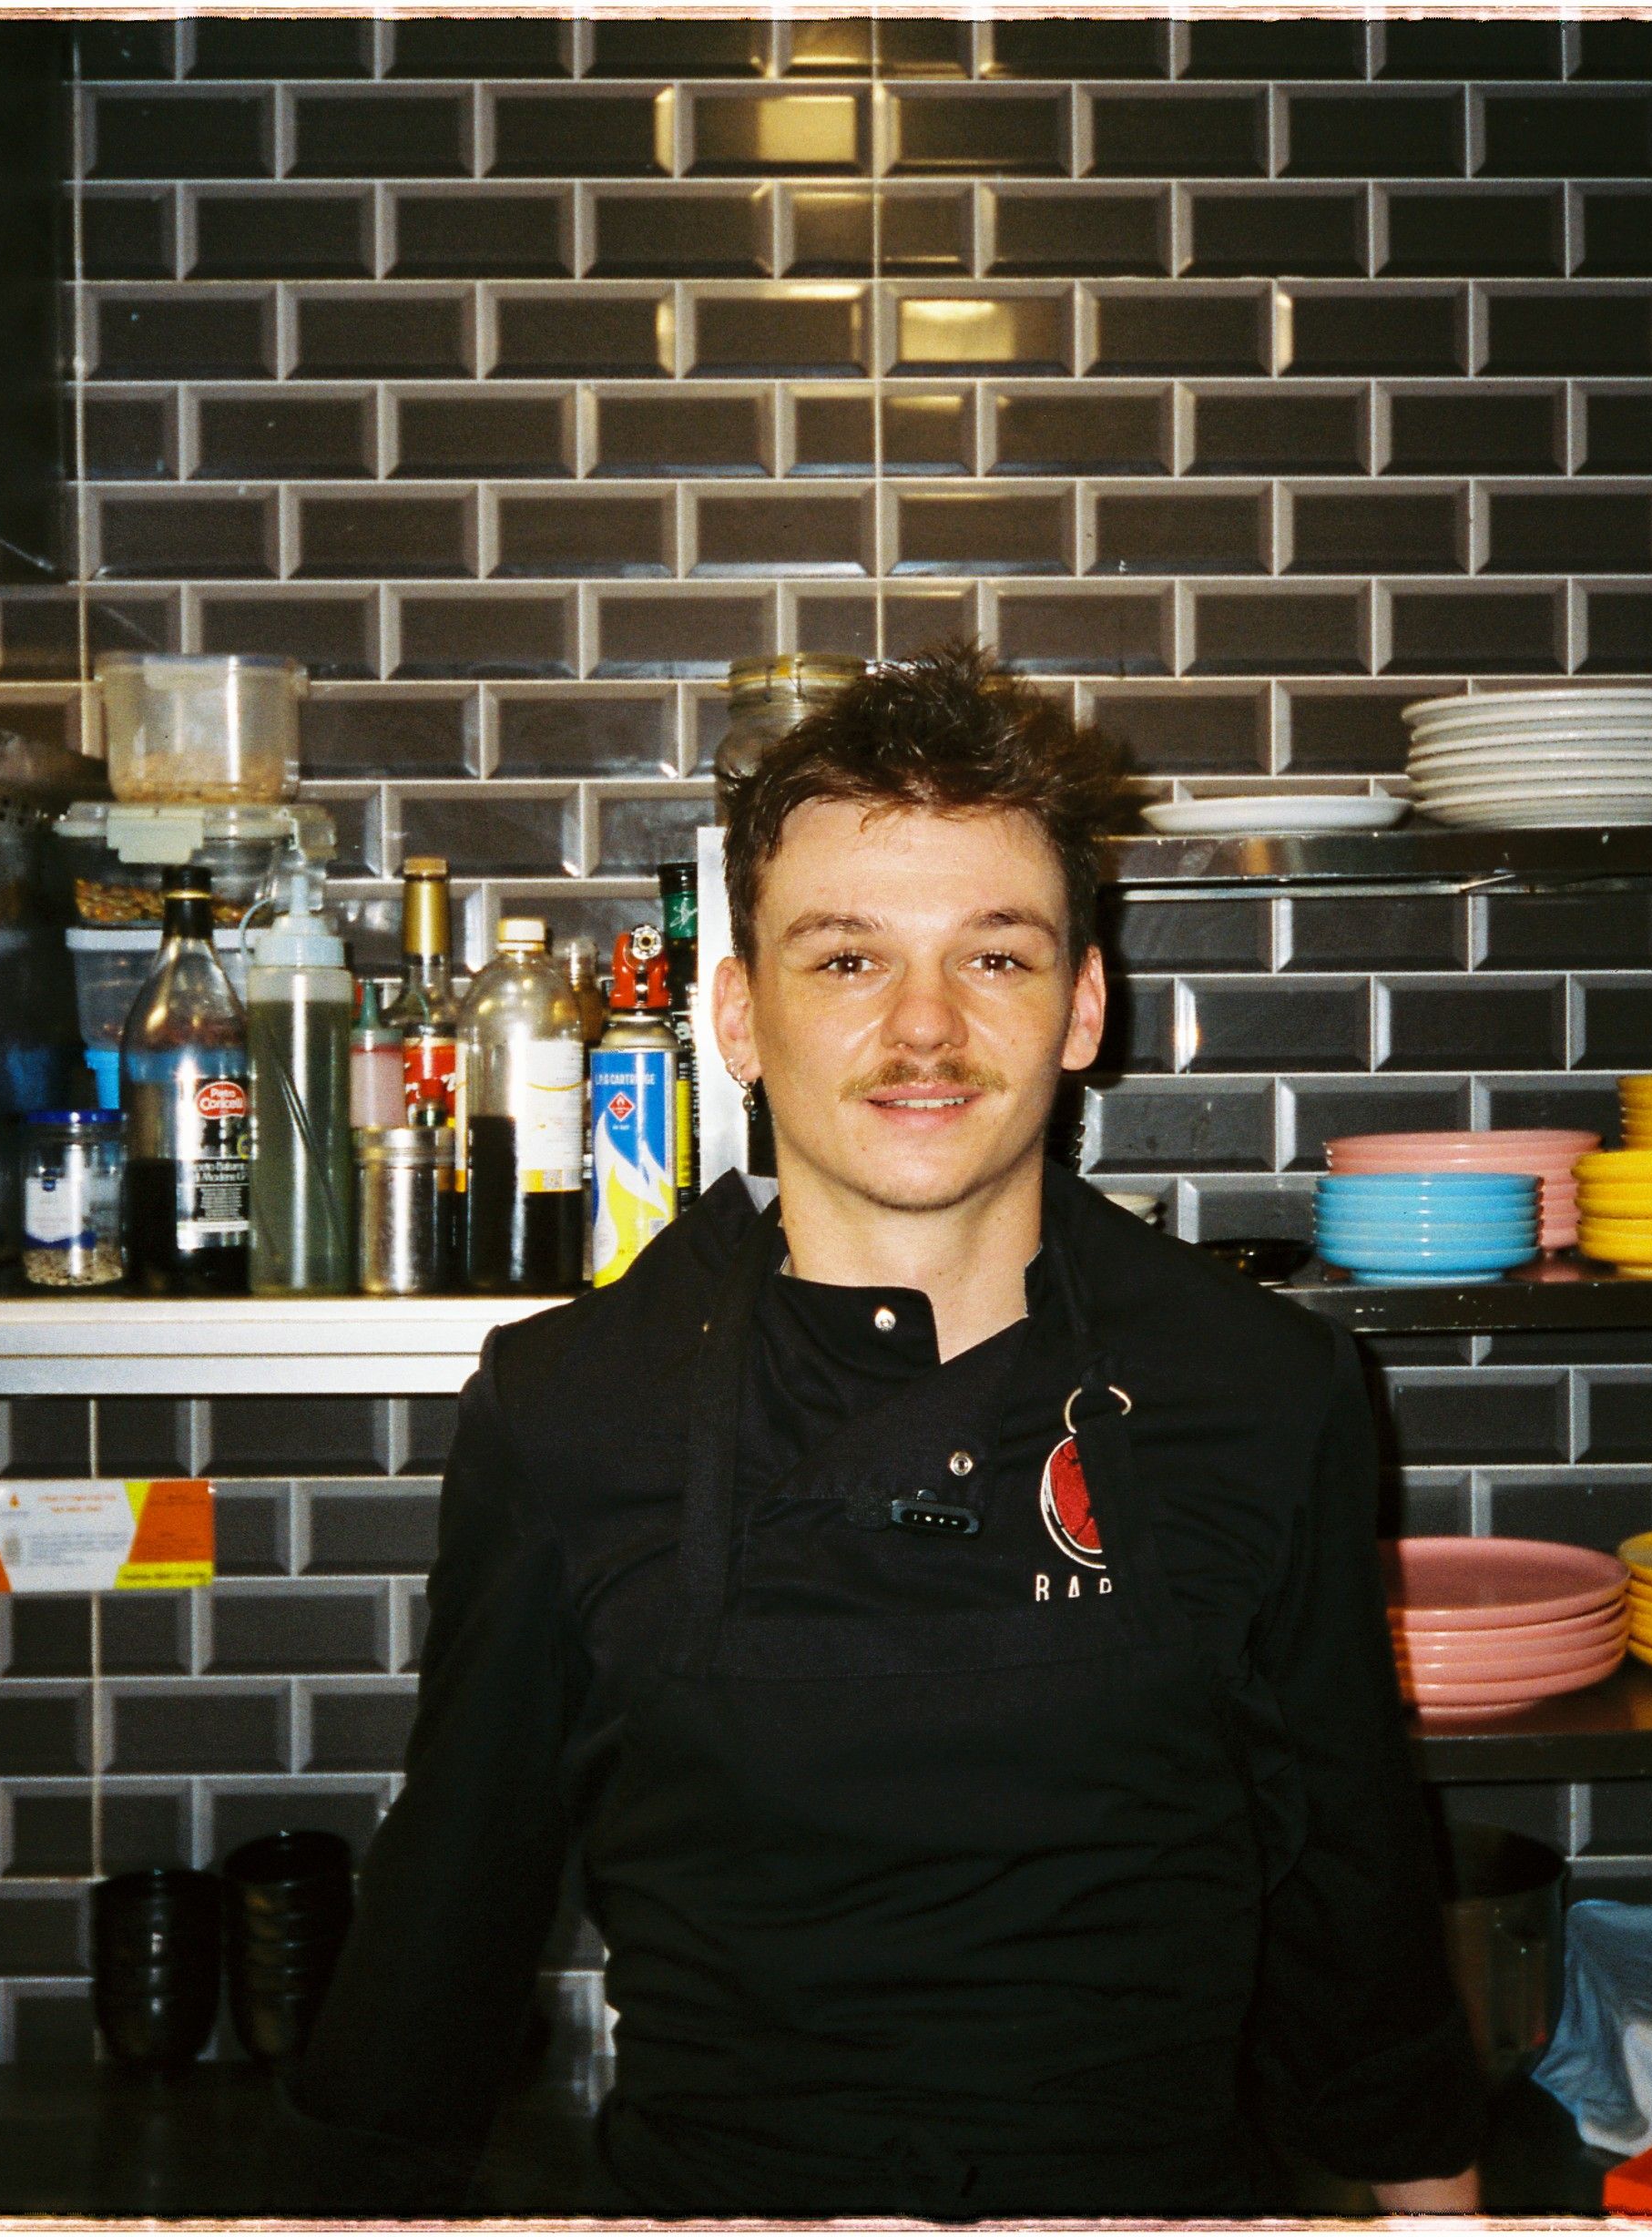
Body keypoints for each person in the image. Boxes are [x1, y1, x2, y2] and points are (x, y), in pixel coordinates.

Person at [283, 642, 1488, 2218]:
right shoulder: (570, 1404)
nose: (925, 1029)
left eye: (994, 957)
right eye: (847, 959)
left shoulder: (1263, 1385)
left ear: (1082, 1007)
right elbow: (453, 1897)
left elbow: (1350, 1870)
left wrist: (1440, 2208)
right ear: (737, 1014)